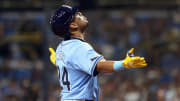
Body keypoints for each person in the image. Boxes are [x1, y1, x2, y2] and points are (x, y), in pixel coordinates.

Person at [49, 5, 147, 101]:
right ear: (73, 25)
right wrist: (124, 63)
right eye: (76, 15)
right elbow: (100, 66)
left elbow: (72, 66)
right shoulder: (79, 47)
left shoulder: (61, 47)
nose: (80, 13)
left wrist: (57, 60)